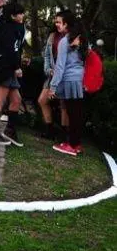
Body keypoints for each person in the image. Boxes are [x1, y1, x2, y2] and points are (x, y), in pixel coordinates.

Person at [0, 3, 26, 146]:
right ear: (13, 15)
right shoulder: (7, 29)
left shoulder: (17, 28)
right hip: (3, 68)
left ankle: (10, 130)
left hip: (9, 68)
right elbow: (10, 51)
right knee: (0, 99)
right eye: (20, 13)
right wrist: (16, 67)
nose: (22, 16)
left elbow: (16, 50)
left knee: (16, 100)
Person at [49, 13, 87, 156]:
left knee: (72, 114)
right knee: (77, 114)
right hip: (79, 79)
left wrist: (53, 87)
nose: (56, 25)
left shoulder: (66, 41)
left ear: (66, 24)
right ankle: (76, 144)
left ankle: (71, 145)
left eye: (59, 22)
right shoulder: (80, 39)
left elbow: (60, 66)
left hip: (70, 80)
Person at [37, 11, 70, 139]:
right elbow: (46, 55)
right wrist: (48, 69)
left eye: (59, 22)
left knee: (64, 104)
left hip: (65, 75)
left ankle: (64, 133)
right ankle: (49, 129)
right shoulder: (52, 36)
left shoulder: (71, 37)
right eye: (55, 21)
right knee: (42, 100)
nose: (57, 24)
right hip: (52, 74)